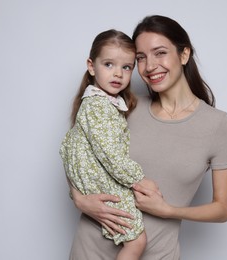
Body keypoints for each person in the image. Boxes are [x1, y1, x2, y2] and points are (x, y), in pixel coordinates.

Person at [68, 15, 227, 259]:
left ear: (184, 54)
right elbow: (77, 150)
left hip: (157, 253)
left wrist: (169, 210)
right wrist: (79, 199)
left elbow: (223, 208)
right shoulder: (124, 107)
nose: (149, 66)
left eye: (160, 53)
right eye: (140, 58)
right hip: (90, 249)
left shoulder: (218, 125)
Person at [59, 29, 157, 260]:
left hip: (96, 180)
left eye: (126, 67)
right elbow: (111, 156)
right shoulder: (98, 106)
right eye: (109, 65)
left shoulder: (107, 103)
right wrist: (139, 180)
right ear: (91, 66)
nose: (118, 74)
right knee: (137, 241)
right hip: (102, 183)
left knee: (132, 239)